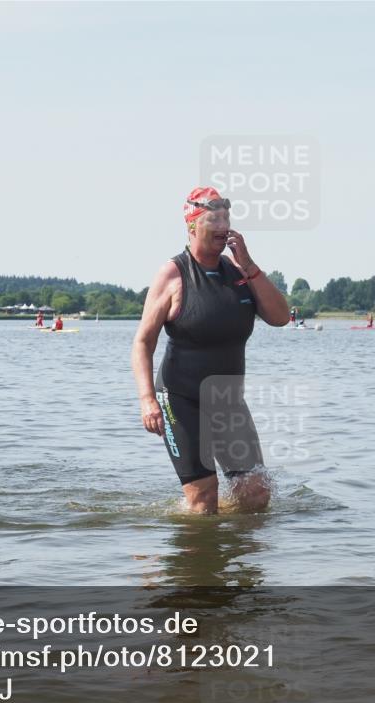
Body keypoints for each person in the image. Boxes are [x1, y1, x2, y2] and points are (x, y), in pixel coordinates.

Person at [132, 187, 290, 514]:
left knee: (256, 494)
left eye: (226, 217)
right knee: (204, 502)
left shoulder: (238, 272)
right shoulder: (173, 274)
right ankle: (196, 559)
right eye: (213, 218)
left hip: (227, 403)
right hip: (180, 399)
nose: (223, 225)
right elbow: (143, 342)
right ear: (192, 227)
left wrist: (248, 264)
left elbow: (280, 318)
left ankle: (240, 558)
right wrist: (147, 399)